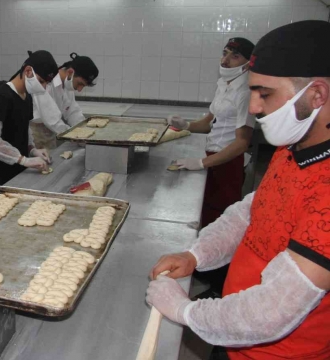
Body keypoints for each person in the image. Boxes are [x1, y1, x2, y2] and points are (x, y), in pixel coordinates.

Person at [146, 20, 330, 360]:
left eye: (265, 94)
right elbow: (250, 213)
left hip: (282, 353)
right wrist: (196, 255)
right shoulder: (291, 150)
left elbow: (274, 309)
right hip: (235, 335)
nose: (254, 108)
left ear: (316, 94)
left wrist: (186, 312)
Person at [168, 38, 256, 297]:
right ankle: (205, 273)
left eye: (234, 56)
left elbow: (241, 142)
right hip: (212, 156)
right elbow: (209, 122)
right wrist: (186, 125)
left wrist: (202, 163)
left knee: (221, 221)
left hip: (227, 163)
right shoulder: (224, 84)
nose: (225, 60)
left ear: (248, 62)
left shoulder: (246, 92)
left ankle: (220, 286)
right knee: (206, 217)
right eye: (225, 53)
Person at [0, 50, 58, 186]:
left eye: (46, 83)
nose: (43, 87)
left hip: (19, 172)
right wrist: (23, 160)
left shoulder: (27, 97)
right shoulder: (2, 96)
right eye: (41, 81)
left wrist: (32, 150)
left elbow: (24, 129)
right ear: (28, 71)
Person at [30, 52, 99, 149]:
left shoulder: (67, 86)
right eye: (80, 84)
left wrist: (84, 130)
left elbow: (72, 112)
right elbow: (51, 119)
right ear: (70, 72)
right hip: (35, 132)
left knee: (50, 160)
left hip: (50, 130)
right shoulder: (47, 81)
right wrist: (75, 135)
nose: (79, 89)